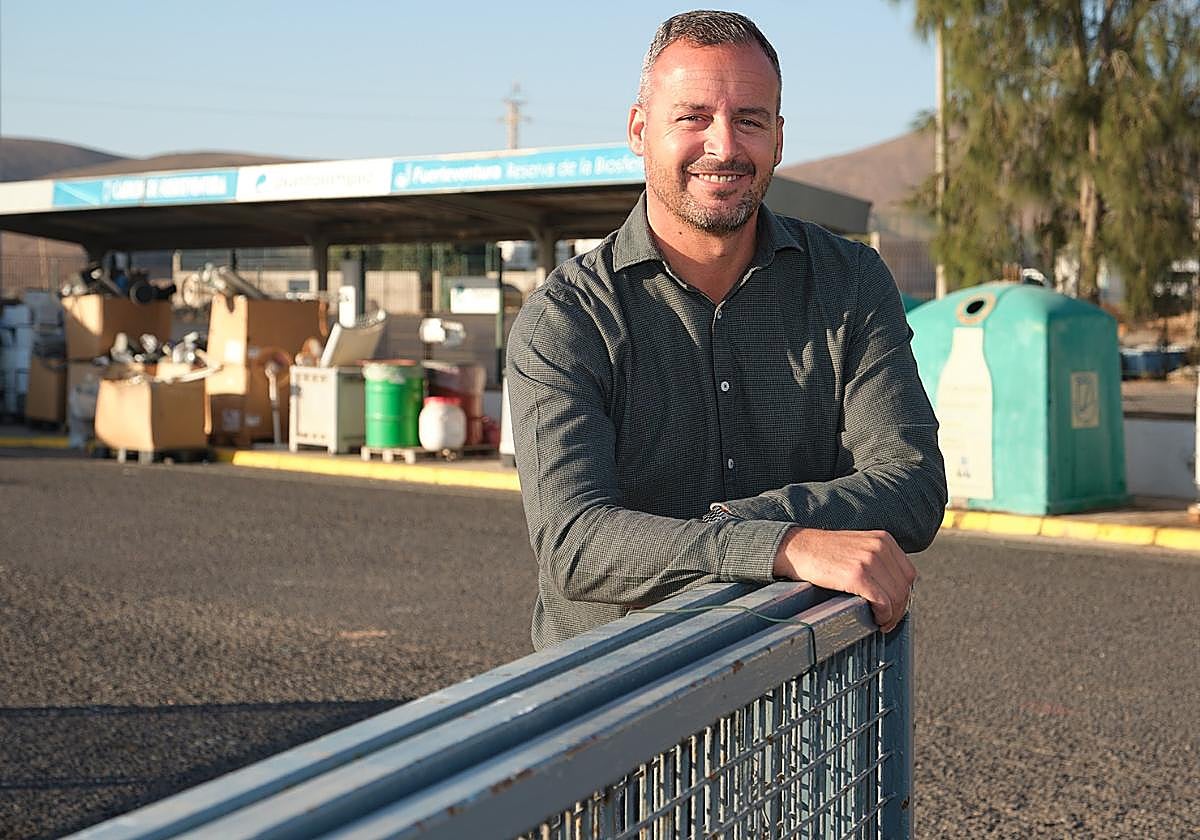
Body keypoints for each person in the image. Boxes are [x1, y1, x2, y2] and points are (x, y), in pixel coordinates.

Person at [507, 10, 946, 651]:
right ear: (639, 130)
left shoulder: (849, 282)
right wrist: (782, 545)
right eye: (693, 117)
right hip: (616, 706)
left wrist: (746, 521)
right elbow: (572, 542)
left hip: (797, 705)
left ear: (779, 137)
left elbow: (911, 487)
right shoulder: (569, 317)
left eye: (750, 120)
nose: (725, 146)